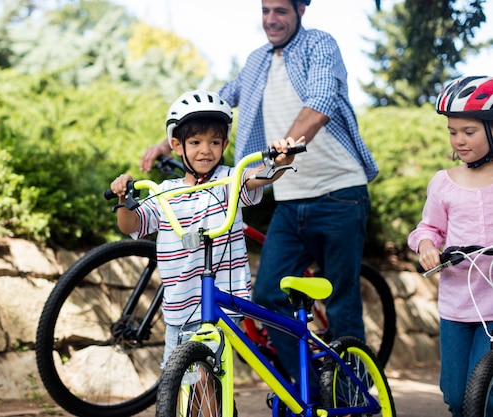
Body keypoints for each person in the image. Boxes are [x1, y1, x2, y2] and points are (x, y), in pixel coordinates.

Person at [140, 0, 378, 382]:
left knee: (341, 304)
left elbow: (319, 103)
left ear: (301, 9)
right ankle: (307, 387)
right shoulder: (256, 61)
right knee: (266, 295)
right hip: (287, 198)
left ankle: (355, 394)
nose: (270, 19)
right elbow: (212, 104)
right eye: (265, 10)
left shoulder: (319, 44)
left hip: (339, 193)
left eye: (280, 10)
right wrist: (166, 143)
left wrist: (287, 145)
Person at [111, 89, 303, 363]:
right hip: (179, 308)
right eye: (196, 142)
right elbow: (131, 224)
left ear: (224, 145)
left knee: (209, 375)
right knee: (175, 387)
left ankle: (216, 407)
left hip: (222, 303)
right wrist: (124, 198)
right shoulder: (164, 192)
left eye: (214, 142)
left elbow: (256, 176)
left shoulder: (229, 180)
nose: (205, 150)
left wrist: (279, 162)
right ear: (177, 146)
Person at [408, 75, 493, 417]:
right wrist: (427, 245)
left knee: (486, 399)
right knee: (458, 398)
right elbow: (427, 229)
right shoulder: (444, 183)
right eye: (452, 131)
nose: (459, 140)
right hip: (457, 305)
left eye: (469, 132)